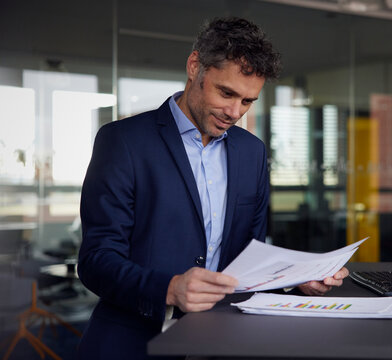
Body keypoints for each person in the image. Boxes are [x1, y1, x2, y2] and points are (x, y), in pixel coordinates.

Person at [77, 17, 349, 359]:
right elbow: (96, 260)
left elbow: (250, 259)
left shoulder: (252, 152)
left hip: (224, 340)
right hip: (133, 343)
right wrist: (169, 289)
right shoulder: (124, 141)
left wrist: (298, 279)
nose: (235, 112)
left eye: (248, 101)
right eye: (227, 93)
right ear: (195, 67)